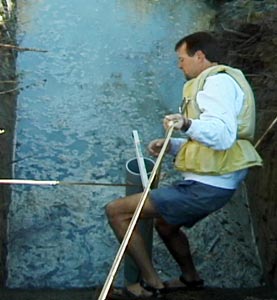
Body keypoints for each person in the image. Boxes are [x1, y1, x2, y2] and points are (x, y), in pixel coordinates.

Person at [105, 31, 262, 299]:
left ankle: (152, 284)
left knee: (117, 212)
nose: (179, 65)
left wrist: (186, 123)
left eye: (181, 59)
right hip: (215, 179)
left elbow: (222, 135)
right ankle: (191, 278)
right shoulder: (220, 81)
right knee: (165, 225)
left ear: (199, 56)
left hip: (207, 186)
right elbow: (218, 137)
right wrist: (172, 146)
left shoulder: (216, 84)